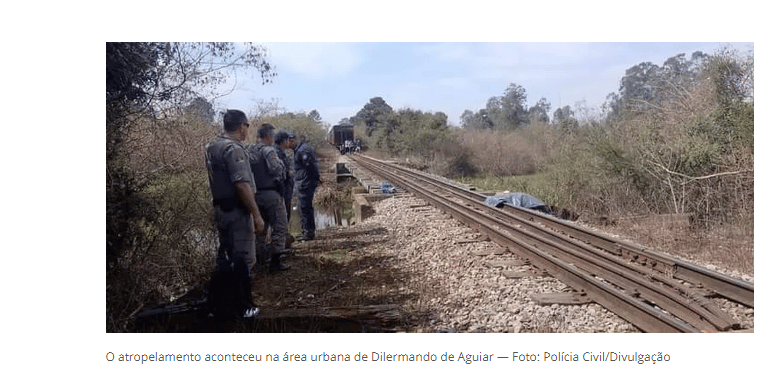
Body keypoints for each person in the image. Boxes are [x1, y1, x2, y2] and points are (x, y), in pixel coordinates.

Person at [205, 109, 264, 319]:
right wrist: (256, 214)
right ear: (241, 127)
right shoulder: (234, 149)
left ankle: (216, 305)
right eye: (247, 126)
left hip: (221, 209)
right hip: (238, 212)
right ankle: (244, 307)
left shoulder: (211, 147)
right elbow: (241, 184)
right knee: (243, 258)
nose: (247, 129)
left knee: (225, 257)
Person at [248, 123, 291, 272]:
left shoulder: (249, 150)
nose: (273, 138)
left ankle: (259, 262)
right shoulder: (268, 150)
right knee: (280, 226)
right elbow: (275, 169)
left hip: (254, 194)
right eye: (272, 135)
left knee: (261, 229)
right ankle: (275, 261)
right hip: (271, 194)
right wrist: (282, 167)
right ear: (267, 136)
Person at [293, 134, 321, 241]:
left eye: (289, 141)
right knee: (303, 207)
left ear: (293, 140)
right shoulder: (299, 149)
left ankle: (309, 232)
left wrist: (316, 178)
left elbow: (311, 167)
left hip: (305, 183)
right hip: (303, 182)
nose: (287, 144)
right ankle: (306, 230)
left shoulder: (302, 150)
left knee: (305, 208)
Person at [273, 131, 295, 221]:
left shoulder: (280, 152)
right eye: (288, 140)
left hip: (284, 189)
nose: (289, 142)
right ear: (283, 141)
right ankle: (283, 234)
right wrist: (289, 173)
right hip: (283, 189)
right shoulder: (277, 153)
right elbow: (279, 172)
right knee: (283, 215)